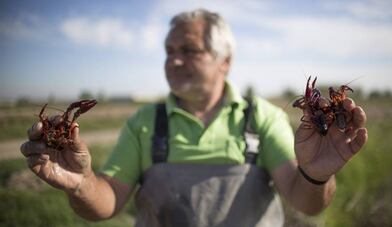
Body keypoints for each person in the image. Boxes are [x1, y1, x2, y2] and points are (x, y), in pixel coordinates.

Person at [20, 9, 368, 227]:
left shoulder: (262, 117)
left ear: (225, 61)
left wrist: (316, 176)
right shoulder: (144, 122)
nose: (173, 61)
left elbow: (306, 204)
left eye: (188, 50)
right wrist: (82, 183)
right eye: (169, 52)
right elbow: (105, 203)